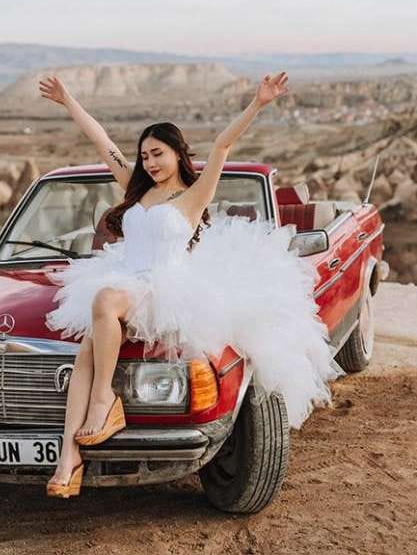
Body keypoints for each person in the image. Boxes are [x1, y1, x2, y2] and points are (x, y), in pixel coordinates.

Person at [37, 73, 341, 498]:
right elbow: (101, 140)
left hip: (165, 283)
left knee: (104, 302)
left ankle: (105, 402)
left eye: (158, 154)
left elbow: (222, 145)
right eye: (144, 156)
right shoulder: (135, 189)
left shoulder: (193, 196)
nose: (149, 163)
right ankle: (68, 461)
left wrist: (258, 103)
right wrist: (68, 100)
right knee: (87, 349)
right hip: (126, 275)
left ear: (178, 154)